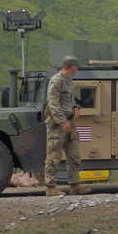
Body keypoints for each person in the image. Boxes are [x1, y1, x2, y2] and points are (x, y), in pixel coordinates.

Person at [44, 56, 89, 196]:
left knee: (74, 155)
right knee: (54, 155)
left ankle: (75, 185)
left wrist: (75, 107)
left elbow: (69, 98)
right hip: (58, 124)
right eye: (76, 66)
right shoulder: (56, 80)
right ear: (72, 67)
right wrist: (63, 121)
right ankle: (51, 187)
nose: (77, 69)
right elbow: (53, 103)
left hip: (70, 122)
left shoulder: (69, 81)